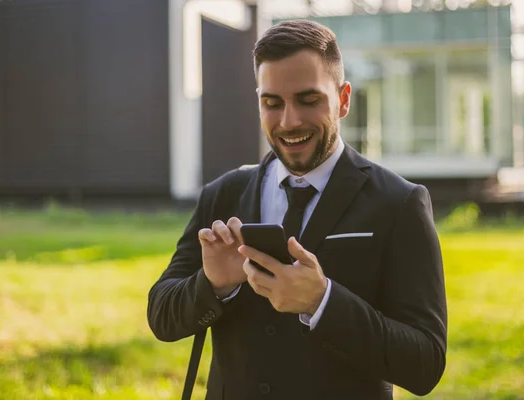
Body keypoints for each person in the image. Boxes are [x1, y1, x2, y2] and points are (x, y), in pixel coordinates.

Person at [147, 19, 447, 400]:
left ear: (343, 99)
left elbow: (425, 364)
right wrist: (213, 284)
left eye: (308, 100)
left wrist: (322, 301)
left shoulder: (398, 202)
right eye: (272, 103)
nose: (290, 122)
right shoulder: (223, 195)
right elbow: (162, 317)